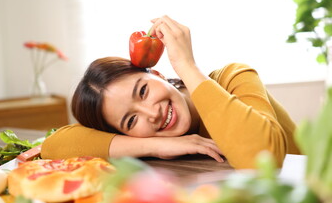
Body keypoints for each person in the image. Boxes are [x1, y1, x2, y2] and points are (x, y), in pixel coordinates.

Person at [41, 16, 301, 169]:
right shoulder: (159, 139)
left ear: (158, 74)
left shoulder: (234, 77)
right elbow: (54, 146)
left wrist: (186, 65)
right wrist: (158, 145)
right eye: (131, 121)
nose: (151, 114)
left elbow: (263, 159)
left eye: (142, 91)